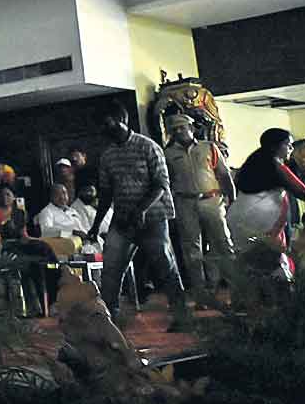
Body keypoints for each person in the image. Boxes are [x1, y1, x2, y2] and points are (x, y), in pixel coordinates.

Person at [87, 101, 187, 327]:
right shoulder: (107, 155)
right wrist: (96, 225)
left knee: (165, 266)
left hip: (153, 218)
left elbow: (161, 184)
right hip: (123, 220)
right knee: (111, 270)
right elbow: (106, 193)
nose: (102, 129)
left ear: (120, 120)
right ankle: (109, 321)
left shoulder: (148, 147)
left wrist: (141, 209)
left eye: (106, 123)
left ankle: (182, 317)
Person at [164, 113, 237, 295]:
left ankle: (236, 289)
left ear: (191, 128)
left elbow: (224, 175)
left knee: (223, 244)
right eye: (174, 129)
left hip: (212, 200)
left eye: (182, 127)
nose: (178, 131)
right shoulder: (168, 154)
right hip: (184, 202)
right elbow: (167, 182)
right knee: (191, 250)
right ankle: (201, 293)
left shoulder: (209, 147)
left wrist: (232, 199)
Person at [228, 127, 305, 257]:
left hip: (241, 219)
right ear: (275, 146)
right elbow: (304, 193)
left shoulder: (255, 160)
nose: (291, 148)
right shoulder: (276, 165)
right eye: (288, 144)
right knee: (269, 262)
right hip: (259, 223)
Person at [0, 186, 54, 316]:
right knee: (30, 260)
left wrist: (36, 241)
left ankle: (53, 267)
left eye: (8, 195)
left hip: (20, 243)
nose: (5, 197)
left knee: (43, 248)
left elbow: (24, 236)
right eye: (2, 195)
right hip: (6, 245)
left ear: (14, 197)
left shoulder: (19, 213)